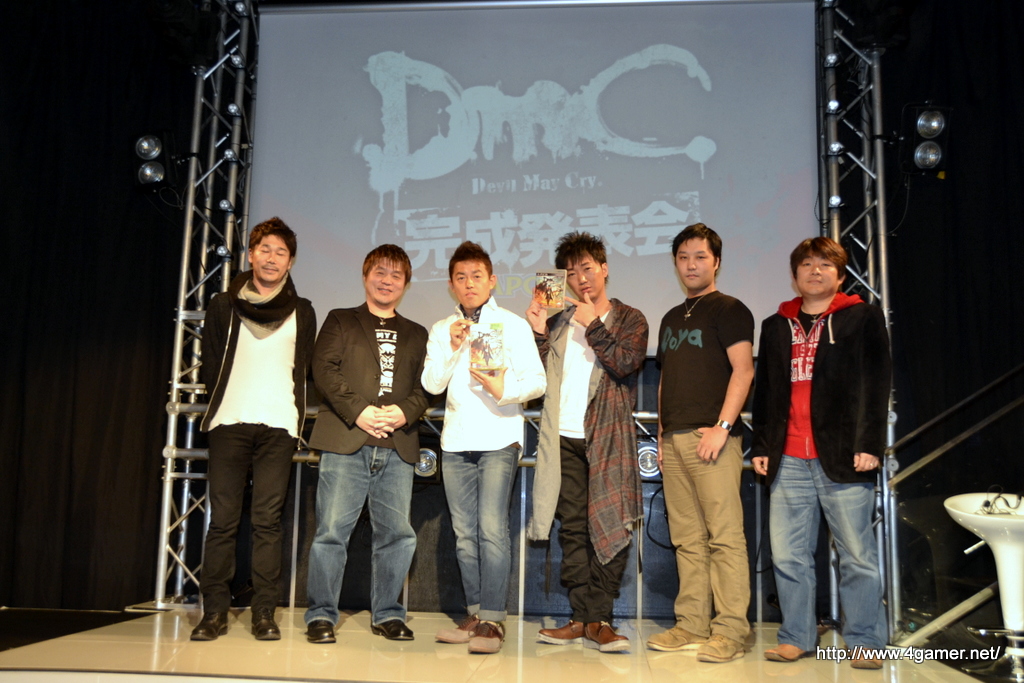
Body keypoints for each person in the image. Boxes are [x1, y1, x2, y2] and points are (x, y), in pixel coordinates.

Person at [751, 236, 891, 669]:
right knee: (788, 555)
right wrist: (762, 445)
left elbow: (877, 383)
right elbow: (766, 390)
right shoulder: (776, 324)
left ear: (840, 275)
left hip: (844, 455)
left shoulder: (862, 317)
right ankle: (796, 635)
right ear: (795, 275)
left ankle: (864, 640)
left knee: (857, 556)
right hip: (788, 457)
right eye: (807, 264)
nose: (815, 271)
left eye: (825, 265)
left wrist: (869, 444)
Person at [191, 217, 316, 641]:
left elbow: (304, 368)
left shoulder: (303, 311)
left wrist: (294, 416)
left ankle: (264, 612)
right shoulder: (223, 304)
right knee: (223, 522)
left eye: (281, 252)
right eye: (265, 249)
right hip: (229, 423)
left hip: (278, 426)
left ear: (290, 261)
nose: (272, 258)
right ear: (250, 254)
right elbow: (211, 362)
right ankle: (214, 612)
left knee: (267, 522)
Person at [525, 231, 649, 653]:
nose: (581, 278)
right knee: (574, 530)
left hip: (608, 437)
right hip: (563, 437)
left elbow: (625, 362)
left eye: (588, 268)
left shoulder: (630, 318)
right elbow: (540, 378)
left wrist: (592, 324)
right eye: (572, 272)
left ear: (604, 269)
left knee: (611, 525)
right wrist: (539, 332)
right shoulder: (560, 320)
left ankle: (601, 619)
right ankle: (581, 618)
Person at [422, 241, 546, 654]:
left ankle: (493, 620)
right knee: (463, 535)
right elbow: (431, 384)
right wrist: (453, 347)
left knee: (492, 529)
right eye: (461, 278)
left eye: (476, 276)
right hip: (456, 441)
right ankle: (475, 614)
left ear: (492, 281)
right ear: (451, 285)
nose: (469, 284)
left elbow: (538, 381)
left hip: (498, 438)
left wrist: (503, 390)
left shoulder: (511, 324)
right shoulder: (443, 329)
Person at [303, 245, 428, 644]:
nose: (387, 281)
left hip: (397, 446)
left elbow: (427, 387)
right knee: (331, 533)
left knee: (398, 536)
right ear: (365, 275)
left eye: (396, 275)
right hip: (346, 441)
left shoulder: (418, 333)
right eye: (380, 272)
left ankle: (388, 614)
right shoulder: (340, 320)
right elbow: (323, 368)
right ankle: (321, 615)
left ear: (406, 284)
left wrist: (404, 413)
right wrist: (359, 411)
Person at [647, 224, 755, 662]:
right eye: (683, 257)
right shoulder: (671, 317)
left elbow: (744, 371)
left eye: (700, 257)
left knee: (724, 537)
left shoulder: (730, 309)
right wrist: (661, 433)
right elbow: (665, 380)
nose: (691, 265)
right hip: (674, 440)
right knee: (687, 539)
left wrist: (722, 427)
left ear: (716, 262)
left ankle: (731, 631)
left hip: (711, 437)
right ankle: (692, 623)